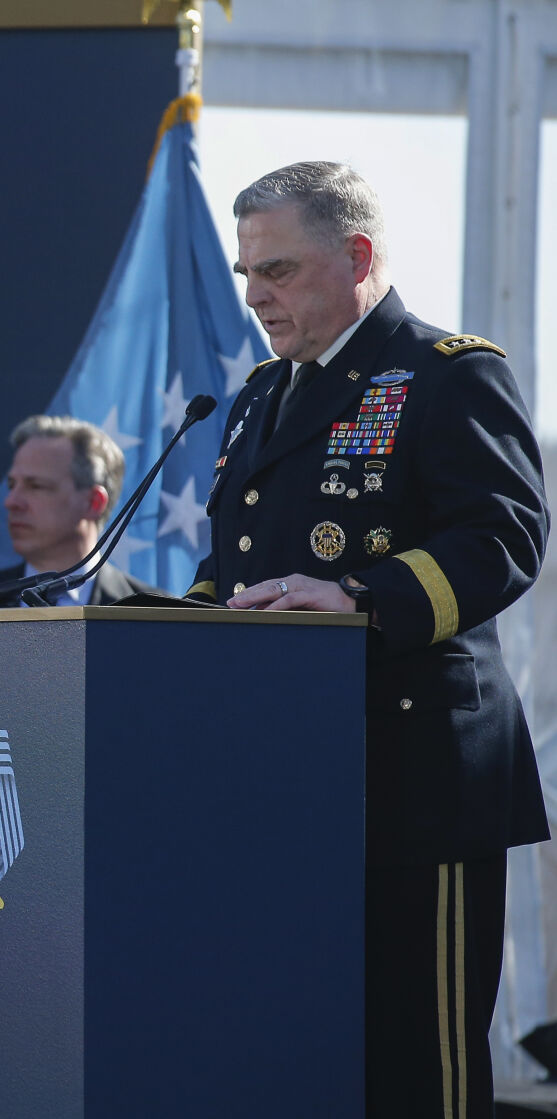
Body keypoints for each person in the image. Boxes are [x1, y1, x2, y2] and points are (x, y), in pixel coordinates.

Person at [187, 161, 548, 1114]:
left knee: (414, 1062)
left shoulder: (448, 373)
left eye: (277, 271)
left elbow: (502, 536)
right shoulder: (262, 394)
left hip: (416, 774)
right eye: (245, 275)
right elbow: (232, 561)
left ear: (355, 256)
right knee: (301, 1051)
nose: (256, 296)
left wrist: (359, 596)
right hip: (285, 777)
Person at [0, 415, 158, 607]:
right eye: (12, 485)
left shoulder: (156, 614)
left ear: (93, 503)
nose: (11, 502)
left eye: (36, 486)